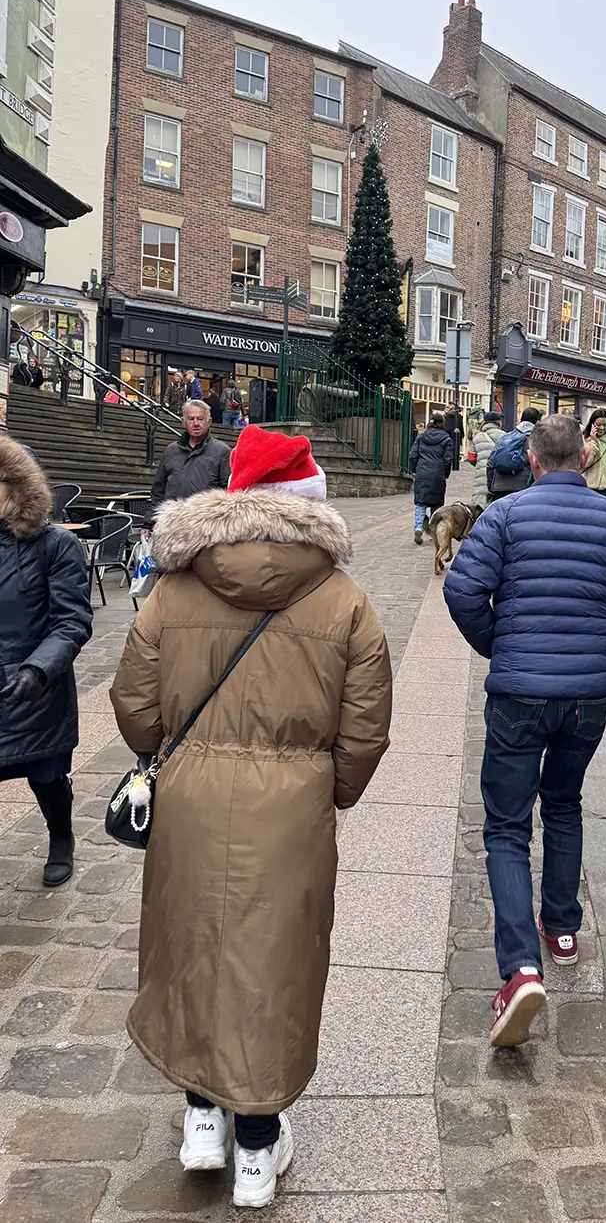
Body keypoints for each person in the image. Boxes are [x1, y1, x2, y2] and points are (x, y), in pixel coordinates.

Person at [110, 426, 391, 1209]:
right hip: (291, 810)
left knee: (189, 947)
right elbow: (365, 728)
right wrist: (328, 790)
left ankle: (203, 1119)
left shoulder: (174, 589)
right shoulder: (344, 599)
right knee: (274, 963)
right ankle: (257, 1150)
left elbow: (133, 702)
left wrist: (167, 755)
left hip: (191, 800)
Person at [443, 414, 606, 1047]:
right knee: (565, 802)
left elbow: (462, 593)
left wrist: (501, 645)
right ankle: (563, 927)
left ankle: (520, 970)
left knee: (507, 826)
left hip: (519, 692)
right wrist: (599, 642)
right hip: (587, 698)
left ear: (534, 461)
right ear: (585, 459)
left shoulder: (503, 517)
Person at [0, 437, 93, 888]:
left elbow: (71, 621)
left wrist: (39, 668)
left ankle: (61, 837)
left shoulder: (55, 545)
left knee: (47, 775)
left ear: (17, 486)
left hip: (35, 689)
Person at [147, 401, 231, 524]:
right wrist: (148, 523)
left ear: (209, 422)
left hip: (206, 523)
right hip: (172, 522)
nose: (196, 423)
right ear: (183, 422)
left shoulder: (222, 452)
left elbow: (228, 493)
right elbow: (158, 490)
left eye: (200, 419)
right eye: (191, 419)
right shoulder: (171, 451)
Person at [409, 411, 453, 544]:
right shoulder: (446, 439)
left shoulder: (421, 437)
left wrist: (415, 470)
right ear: (443, 423)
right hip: (437, 474)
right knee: (436, 505)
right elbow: (447, 460)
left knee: (420, 503)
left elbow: (413, 455)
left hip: (422, 473)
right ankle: (433, 531)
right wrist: (445, 473)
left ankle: (418, 527)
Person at [487, 408, 542, 501]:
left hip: (499, 488)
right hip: (522, 489)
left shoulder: (506, 437)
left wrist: (491, 486)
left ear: (521, 419)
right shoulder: (535, 441)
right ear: (537, 422)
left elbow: (491, 462)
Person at [471, 411, 504, 511]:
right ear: (498, 422)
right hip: (498, 475)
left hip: (481, 474)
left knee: (479, 505)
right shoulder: (504, 436)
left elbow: (471, 458)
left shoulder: (477, 437)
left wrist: (480, 463)